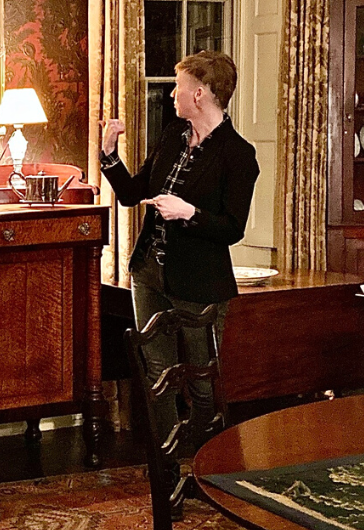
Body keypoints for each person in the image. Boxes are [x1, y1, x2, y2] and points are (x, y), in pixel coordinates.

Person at [99, 50, 259, 470]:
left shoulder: (238, 154)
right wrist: (108, 154)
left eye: (180, 87)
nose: (173, 95)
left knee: (203, 383)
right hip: (149, 273)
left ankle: (209, 463)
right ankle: (166, 466)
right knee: (158, 374)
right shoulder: (172, 135)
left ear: (201, 94)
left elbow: (232, 227)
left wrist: (189, 213)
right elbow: (133, 194)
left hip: (201, 282)